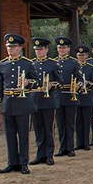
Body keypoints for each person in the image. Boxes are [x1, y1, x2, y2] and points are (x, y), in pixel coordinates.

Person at [0, 34, 38, 175]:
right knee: (10, 135)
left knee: (23, 135)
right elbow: (0, 86)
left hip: (23, 103)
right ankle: (12, 162)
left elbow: (37, 82)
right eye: (8, 47)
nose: (10, 49)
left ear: (20, 48)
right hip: (8, 103)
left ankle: (23, 163)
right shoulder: (2, 64)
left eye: (13, 47)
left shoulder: (27, 63)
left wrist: (27, 83)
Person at [29, 38, 62, 166]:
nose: (38, 52)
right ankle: (40, 154)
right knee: (38, 129)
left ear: (46, 49)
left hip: (48, 101)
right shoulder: (31, 64)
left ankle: (49, 154)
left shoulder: (53, 64)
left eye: (41, 49)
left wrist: (51, 85)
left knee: (48, 129)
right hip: (35, 100)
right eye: (36, 50)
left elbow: (59, 82)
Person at [54, 37, 81, 157]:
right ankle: (62, 148)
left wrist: (79, 85)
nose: (61, 49)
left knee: (70, 123)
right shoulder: (53, 62)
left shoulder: (74, 62)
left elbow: (79, 78)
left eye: (64, 47)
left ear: (68, 49)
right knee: (60, 124)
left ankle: (70, 147)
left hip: (70, 95)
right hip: (58, 96)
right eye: (60, 47)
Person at [74, 45, 93, 151]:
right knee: (78, 121)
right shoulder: (74, 66)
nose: (81, 57)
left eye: (83, 55)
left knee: (86, 121)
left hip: (87, 96)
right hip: (76, 96)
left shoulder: (90, 68)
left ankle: (86, 142)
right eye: (79, 55)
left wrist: (87, 83)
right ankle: (79, 143)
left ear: (86, 56)